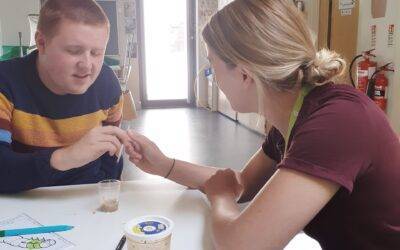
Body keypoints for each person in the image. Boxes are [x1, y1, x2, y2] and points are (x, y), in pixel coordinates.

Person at [124, 0, 400, 249]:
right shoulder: (292, 118)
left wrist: (221, 198)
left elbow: (242, 244)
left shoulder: (336, 122)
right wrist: (164, 165)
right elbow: (243, 183)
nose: (213, 76)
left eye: (213, 64)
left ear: (244, 74)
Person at [0, 0, 130, 193]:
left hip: (87, 195)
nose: (87, 66)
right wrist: (65, 158)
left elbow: (111, 156)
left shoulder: (107, 84)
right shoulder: (6, 82)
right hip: (24, 196)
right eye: (74, 51)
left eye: (96, 53)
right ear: (41, 43)